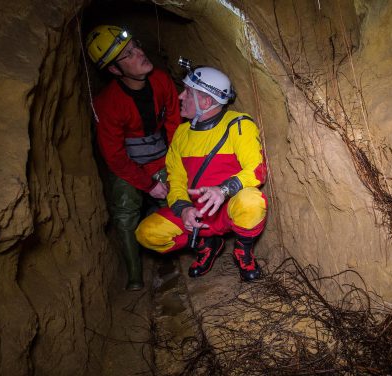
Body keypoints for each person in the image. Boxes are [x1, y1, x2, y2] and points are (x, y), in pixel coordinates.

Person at [135, 66, 267, 281]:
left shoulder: (237, 124)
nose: (180, 96)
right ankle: (207, 245)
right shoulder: (181, 133)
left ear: (205, 102)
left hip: (227, 209)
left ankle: (243, 251)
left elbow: (256, 169)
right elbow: (175, 179)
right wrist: (183, 208)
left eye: (187, 92)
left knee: (252, 200)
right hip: (195, 213)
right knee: (146, 233)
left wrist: (223, 190)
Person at [85, 25, 180, 291]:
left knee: (176, 197)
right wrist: (148, 184)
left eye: (135, 46)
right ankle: (135, 274)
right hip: (128, 164)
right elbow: (114, 157)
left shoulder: (161, 81)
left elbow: (174, 125)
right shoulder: (109, 103)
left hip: (161, 155)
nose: (139, 53)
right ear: (115, 70)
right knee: (125, 211)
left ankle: (174, 252)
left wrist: (173, 168)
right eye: (127, 55)